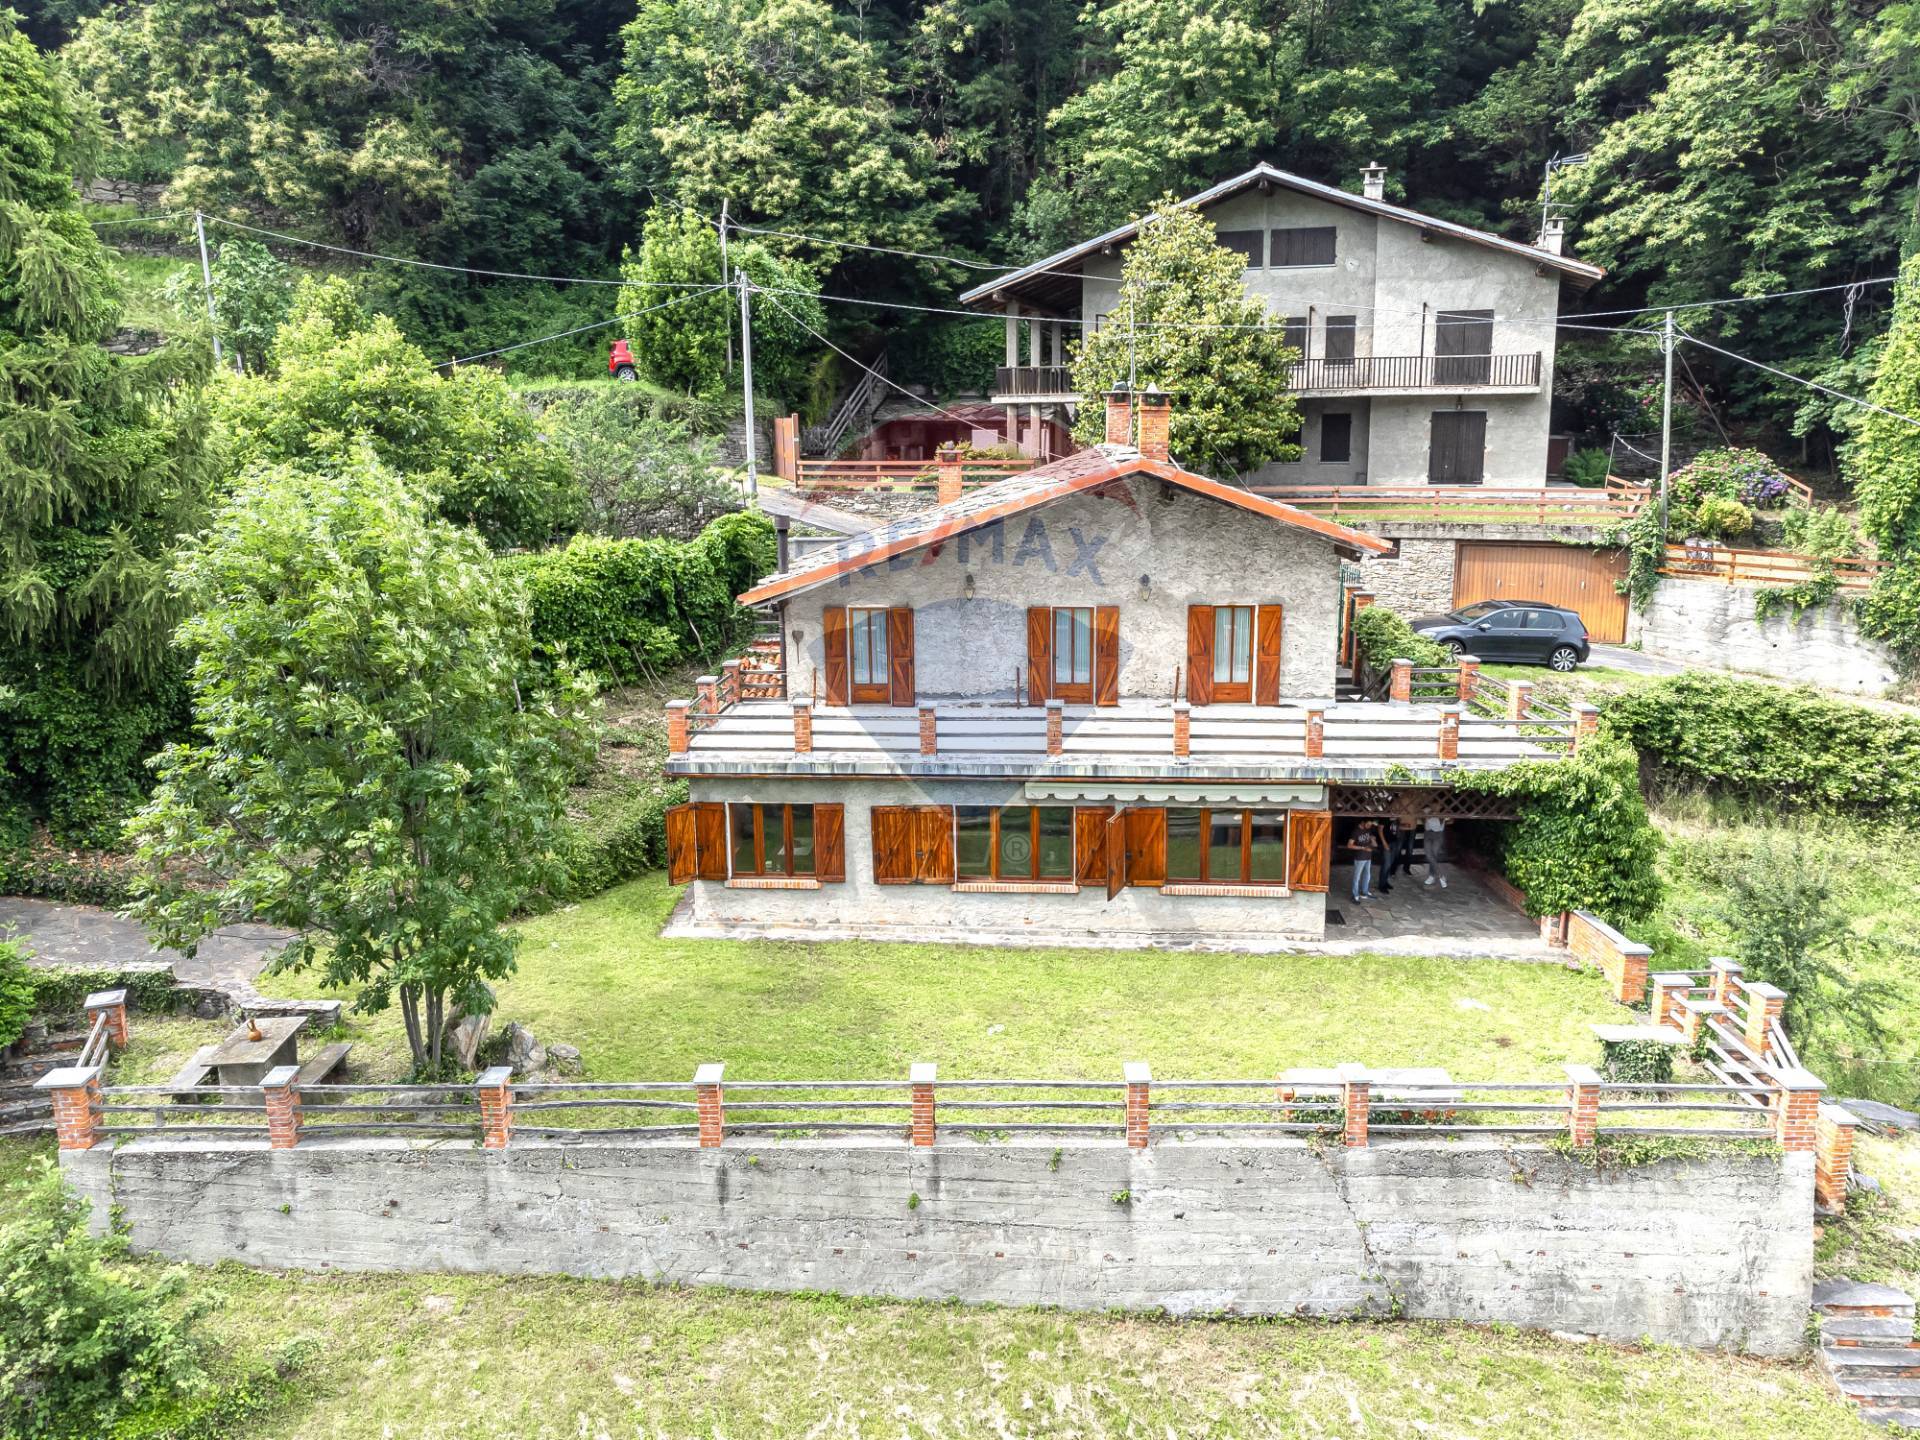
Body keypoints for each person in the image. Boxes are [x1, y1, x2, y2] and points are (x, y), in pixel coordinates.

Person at [1346, 821, 1377, 902]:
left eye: (1371, 825)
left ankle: (1364, 892)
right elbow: (1349, 845)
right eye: (1368, 824)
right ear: (1363, 822)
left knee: (1367, 875)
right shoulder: (1355, 832)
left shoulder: (1368, 830)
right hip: (1360, 857)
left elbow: (1373, 844)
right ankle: (1355, 895)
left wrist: (1373, 840)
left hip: (1368, 856)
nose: (1370, 826)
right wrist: (1362, 848)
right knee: (1357, 877)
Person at [1422, 814, 1448, 888]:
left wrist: (1444, 820)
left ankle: (1432, 876)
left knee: (1433, 855)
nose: (1435, 806)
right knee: (1429, 855)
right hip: (1428, 833)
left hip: (1438, 833)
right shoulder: (1426, 809)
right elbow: (1422, 817)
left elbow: (1451, 820)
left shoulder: (1444, 810)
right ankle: (1441, 876)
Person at [1374, 819, 1397, 896]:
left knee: (1389, 864)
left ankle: (1385, 882)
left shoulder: (1395, 818)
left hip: (1393, 842)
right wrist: (1384, 843)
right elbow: (1380, 830)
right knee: (1386, 864)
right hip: (1386, 844)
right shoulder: (1385, 818)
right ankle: (1382, 885)